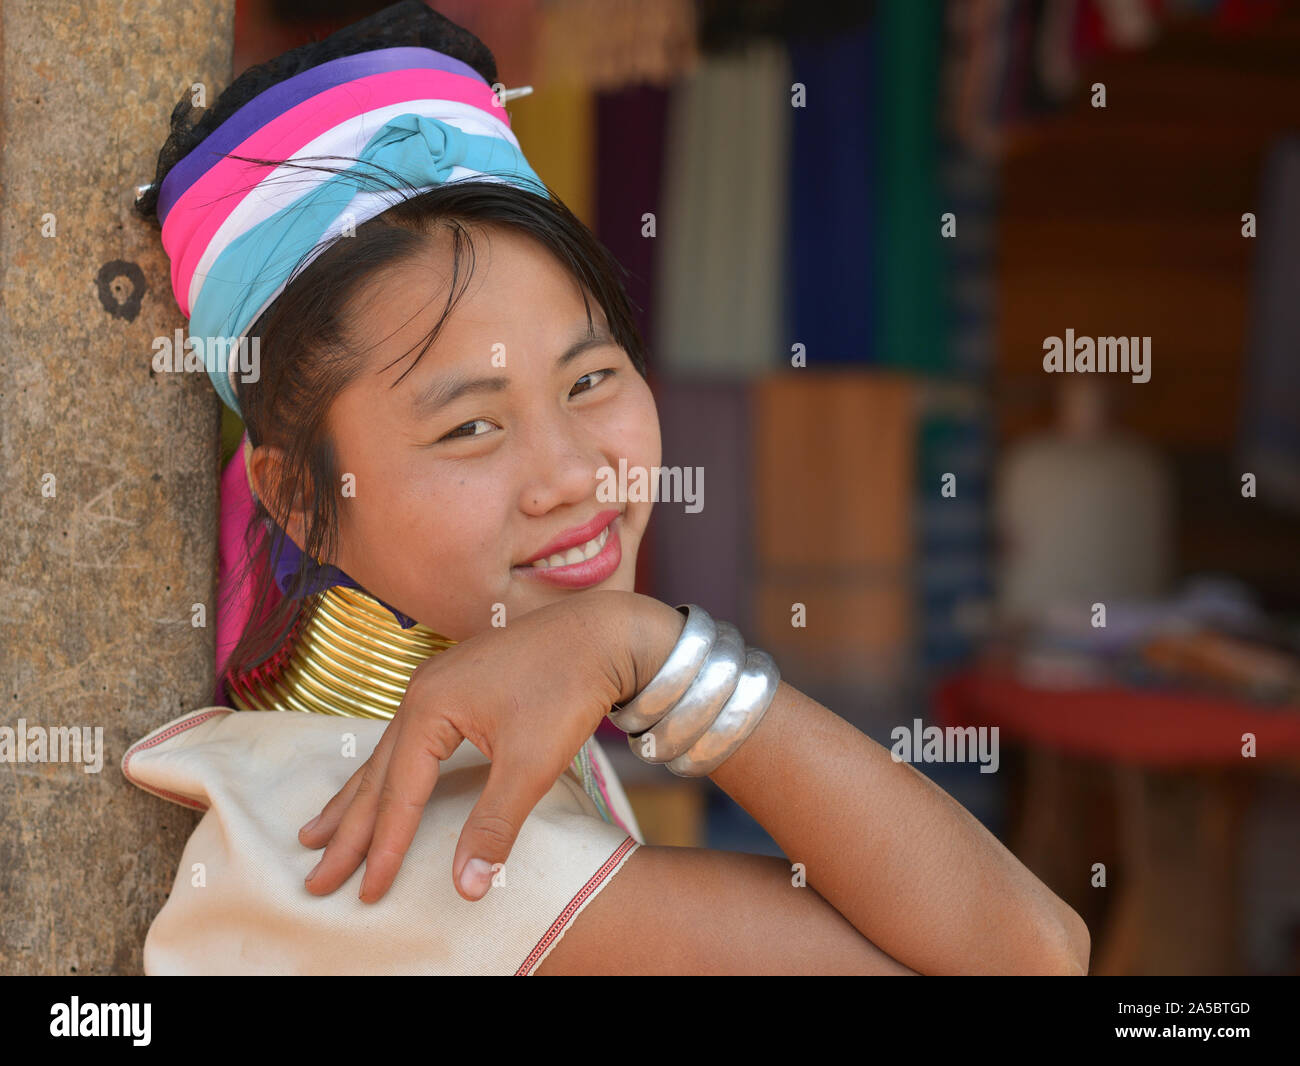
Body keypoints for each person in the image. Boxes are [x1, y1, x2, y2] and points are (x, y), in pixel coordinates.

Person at [129, 0, 1089, 975]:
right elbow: (1029, 952)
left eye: (591, 380)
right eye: (470, 427)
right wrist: (643, 645)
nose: (576, 473)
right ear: (298, 499)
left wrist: (621, 644)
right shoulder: (393, 835)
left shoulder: (351, 756)